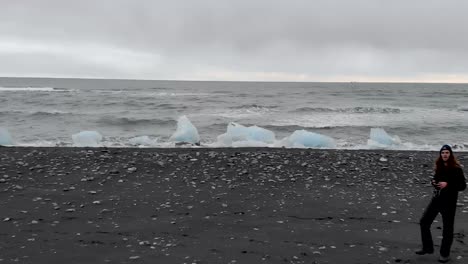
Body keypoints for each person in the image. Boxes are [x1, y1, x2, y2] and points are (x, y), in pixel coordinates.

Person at [416, 145, 466, 263]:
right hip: (436, 200)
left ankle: (445, 254)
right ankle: (427, 248)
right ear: (440, 154)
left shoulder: (456, 169)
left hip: (449, 203)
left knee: (447, 229)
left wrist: (448, 185)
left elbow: (462, 186)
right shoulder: (439, 167)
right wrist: (433, 182)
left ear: (450, 154)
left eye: (447, 152)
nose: (445, 154)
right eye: (443, 152)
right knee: (424, 222)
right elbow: (437, 180)